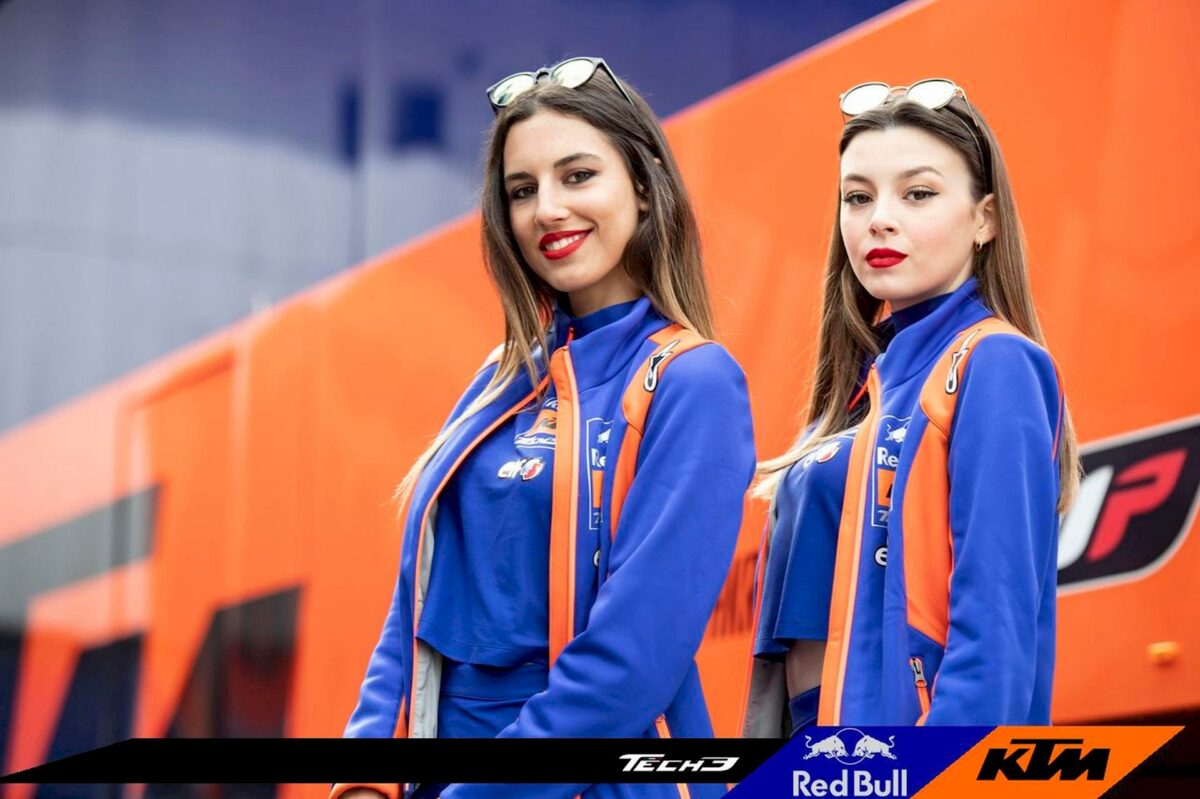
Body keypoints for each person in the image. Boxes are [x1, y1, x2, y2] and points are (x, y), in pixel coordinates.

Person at [331, 57, 755, 799]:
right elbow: (414, 608)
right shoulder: (502, 379)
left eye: (578, 175)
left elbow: (632, 661)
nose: (547, 209)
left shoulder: (694, 382)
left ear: (646, 190)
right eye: (522, 190)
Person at [744, 78, 1079, 732]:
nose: (879, 219)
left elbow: (995, 630)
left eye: (918, 193)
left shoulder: (995, 363)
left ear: (984, 218)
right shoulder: (859, 390)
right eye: (857, 197)